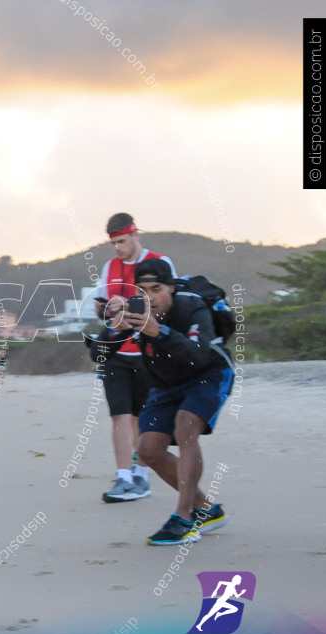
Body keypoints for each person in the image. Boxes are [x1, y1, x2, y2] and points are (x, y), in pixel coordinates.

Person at [110, 258, 234, 545]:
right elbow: (98, 350)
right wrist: (112, 328)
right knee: (148, 450)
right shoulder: (138, 312)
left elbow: (200, 355)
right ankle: (206, 510)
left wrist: (160, 332)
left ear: (171, 289)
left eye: (156, 289)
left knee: (185, 427)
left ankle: (184, 517)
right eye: (142, 290)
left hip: (209, 374)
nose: (150, 298)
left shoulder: (192, 307)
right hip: (167, 383)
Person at [95, 213, 176, 504]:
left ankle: (141, 476)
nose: (118, 248)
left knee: (143, 417)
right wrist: (110, 309)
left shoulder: (159, 262)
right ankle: (123, 477)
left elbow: (168, 307)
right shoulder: (110, 267)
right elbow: (99, 311)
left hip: (147, 352)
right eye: (114, 243)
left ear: (135, 234)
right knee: (119, 415)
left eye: (122, 241)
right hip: (116, 351)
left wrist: (132, 303)